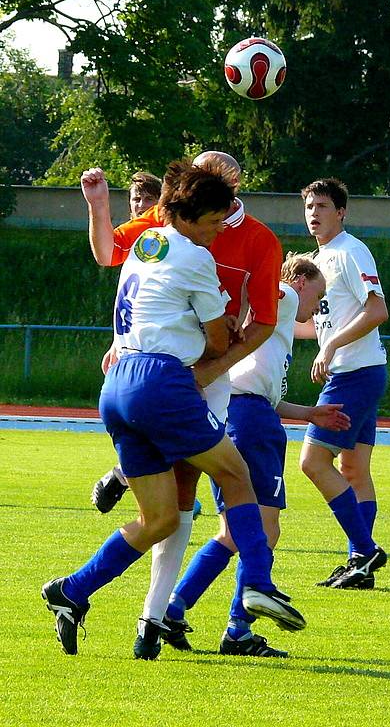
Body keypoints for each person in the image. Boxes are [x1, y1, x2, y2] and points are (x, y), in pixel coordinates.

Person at [41, 160, 305, 656]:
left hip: (118, 382)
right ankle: (259, 584)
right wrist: (219, 334)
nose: (214, 234)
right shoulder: (196, 257)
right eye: (210, 224)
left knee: (160, 519)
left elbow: (115, 262)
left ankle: (71, 590)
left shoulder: (148, 243)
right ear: (188, 215)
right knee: (236, 474)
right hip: (164, 382)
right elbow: (216, 336)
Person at [164, 254, 351, 658]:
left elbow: (266, 395)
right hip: (252, 422)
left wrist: (311, 413)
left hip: (241, 414)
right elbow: (261, 289)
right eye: (316, 297)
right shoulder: (283, 295)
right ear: (300, 282)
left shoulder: (273, 331)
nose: (315, 309)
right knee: (266, 530)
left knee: (232, 531)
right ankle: (238, 630)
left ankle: (174, 607)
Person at [91, 169, 203, 519]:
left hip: (172, 350)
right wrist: (98, 205)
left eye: (146, 199)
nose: (139, 206)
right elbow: (113, 262)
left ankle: (133, 479)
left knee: (180, 429)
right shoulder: (146, 234)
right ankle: (136, 480)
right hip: (152, 355)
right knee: (209, 448)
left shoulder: (176, 230)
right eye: (134, 200)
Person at [297, 177, 389, 589]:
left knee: (312, 462)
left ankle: (365, 550)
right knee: (353, 468)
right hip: (361, 372)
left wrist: (331, 346)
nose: (313, 214)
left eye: (322, 206)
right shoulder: (320, 259)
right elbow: (317, 327)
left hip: (356, 373)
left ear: (341, 212)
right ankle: (359, 562)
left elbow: (377, 310)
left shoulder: (351, 251)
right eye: (309, 207)